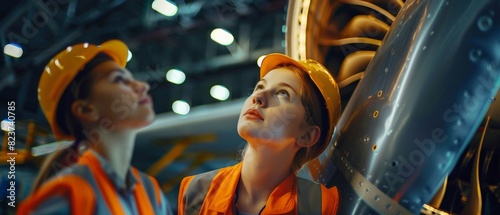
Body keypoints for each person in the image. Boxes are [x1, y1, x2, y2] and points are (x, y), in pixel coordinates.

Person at [18, 40, 173, 214]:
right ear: (85, 109)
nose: (142, 86)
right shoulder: (67, 197)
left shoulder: (151, 192)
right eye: (120, 79)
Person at [178, 53, 342, 215]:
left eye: (283, 93)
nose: (258, 96)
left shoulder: (319, 206)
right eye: (260, 87)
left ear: (307, 136)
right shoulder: (196, 192)